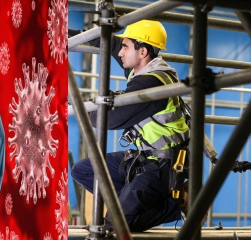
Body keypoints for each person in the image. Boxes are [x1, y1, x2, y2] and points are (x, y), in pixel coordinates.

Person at [71, 20, 190, 232]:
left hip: (162, 167)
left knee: (116, 224)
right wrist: (69, 35)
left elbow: (110, 119)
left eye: (127, 47)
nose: (121, 52)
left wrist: (76, 107)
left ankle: (177, 205)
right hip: (143, 158)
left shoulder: (150, 85)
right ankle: (131, 202)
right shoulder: (146, 71)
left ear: (142, 51)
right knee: (83, 170)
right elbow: (112, 44)